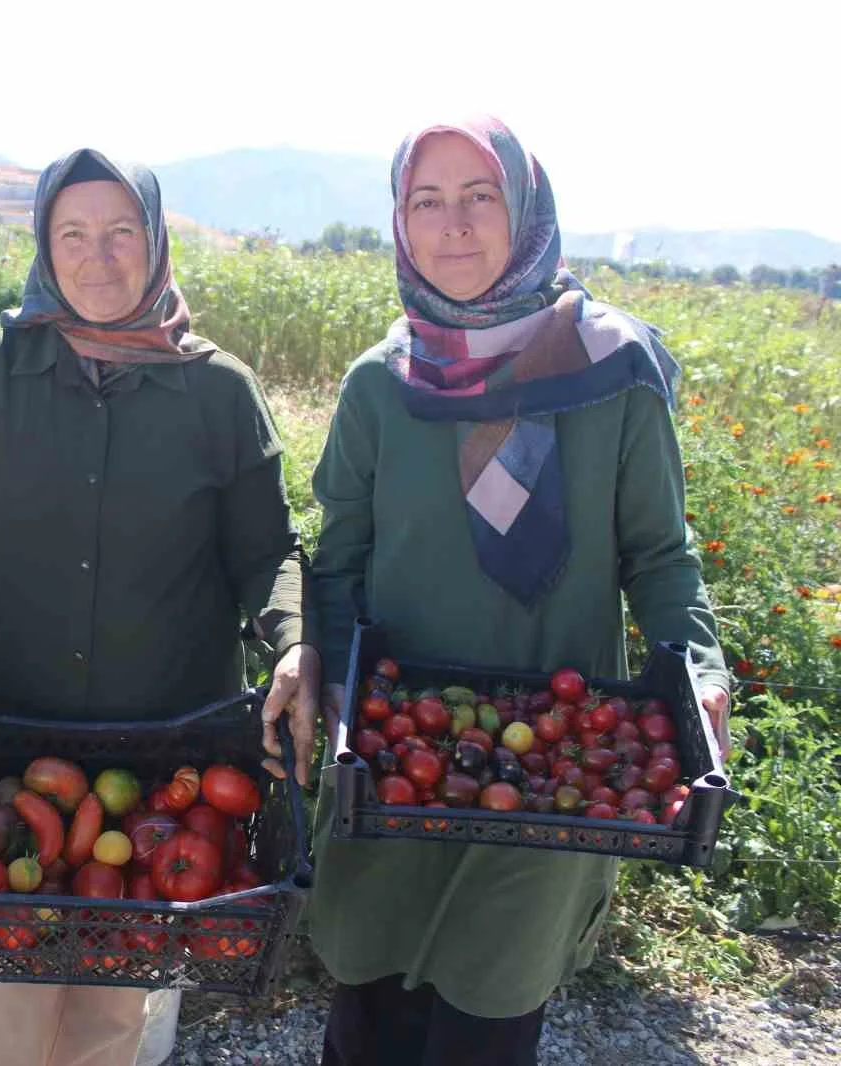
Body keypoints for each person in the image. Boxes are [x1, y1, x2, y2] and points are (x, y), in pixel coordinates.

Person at [0, 148, 318, 1066]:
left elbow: (268, 554)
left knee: (115, 1022)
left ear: (157, 241)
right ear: (46, 247)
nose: (99, 257)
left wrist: (292, 642)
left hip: (165, 776)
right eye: (74, 234)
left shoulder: (219, 393)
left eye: (122, 232)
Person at [305, 115, 733, 1066]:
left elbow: (660, 557)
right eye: (427, 201)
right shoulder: (382, 386)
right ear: (400, 225)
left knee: (488, 1023)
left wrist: (698, 670)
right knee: (368, 1018)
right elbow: (337, 563)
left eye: (479, 196)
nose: (453, 225)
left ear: (526, 209)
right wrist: (330, 687)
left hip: (558, 771)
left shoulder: (616, 374)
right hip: (392, 754)